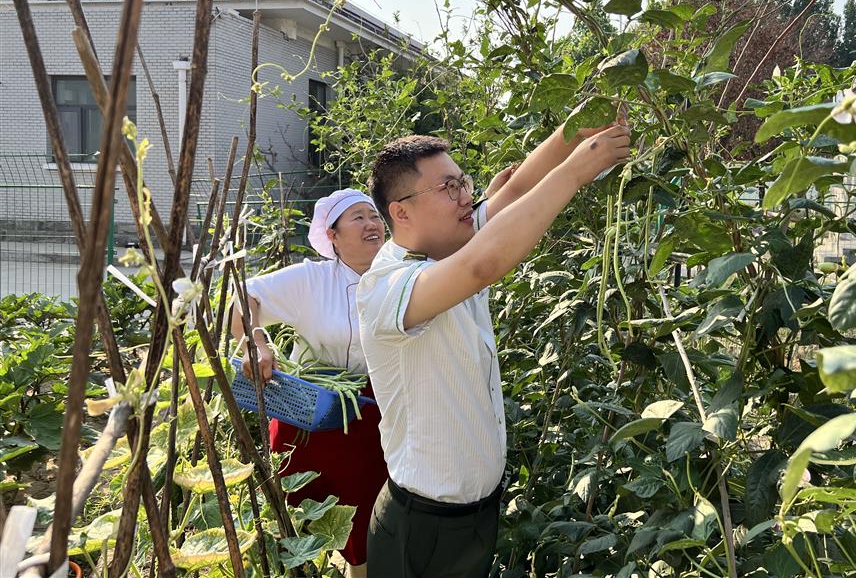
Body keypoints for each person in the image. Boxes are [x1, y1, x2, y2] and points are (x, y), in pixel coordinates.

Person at [357, 119, 631, 577]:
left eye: (462, 182)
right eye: (448, 187)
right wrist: (576, 172)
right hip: (422, 529)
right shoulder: (385, 287)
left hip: (475, 516)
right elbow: (481, 266)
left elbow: (520, 187)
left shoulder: (449, 240)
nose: (467, 195)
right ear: (400, 212)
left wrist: (581, 124)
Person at [230, 188, 388, 578]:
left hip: (372, 416)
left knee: (367, 515)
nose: (371, 224)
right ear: (332, 236)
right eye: (358, 218)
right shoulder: (311, 280)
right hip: (309, 419)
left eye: (374, 216)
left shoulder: (397, 275)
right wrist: (254, 341)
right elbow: (241, 297)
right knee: (302, 520)